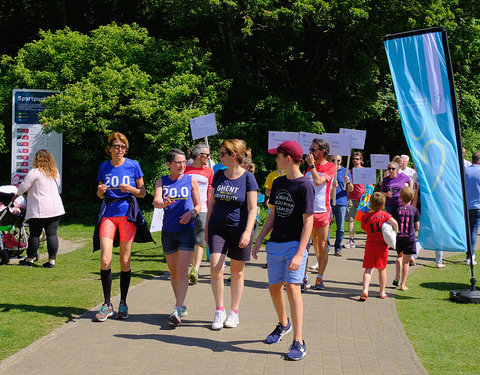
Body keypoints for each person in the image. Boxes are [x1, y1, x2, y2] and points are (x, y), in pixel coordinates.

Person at [252, 140, 314, 361]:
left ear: (288, 158)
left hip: (294, 245)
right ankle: (284, 324)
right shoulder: (278, 182)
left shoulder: (305, 185)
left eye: (277, 156)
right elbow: (273, 214)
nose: (275, 159)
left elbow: (309, 222)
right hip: (275, 244)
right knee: (274, 288)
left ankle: (298, 340)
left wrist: (300, 253)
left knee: (293, 289)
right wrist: (260, 238)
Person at [94, 132, 151, 322]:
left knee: (125, 261)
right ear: (109, 148)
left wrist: (132, 189)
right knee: (105, 259)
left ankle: (123, 303)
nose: (120, 150)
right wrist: (100, 192)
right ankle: (107, 304)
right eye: (117, 146)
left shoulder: (133, 165)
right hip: (109, 215)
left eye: (123, 147)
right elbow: (101, 194)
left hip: (127, 214)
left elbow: (143, 193)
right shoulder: (103, 167)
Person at [206, 139, 258, 330]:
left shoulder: (248, 178)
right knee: (215, 267)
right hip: (217, 227)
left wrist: (247, 232)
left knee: (236, 271)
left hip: (239, 229)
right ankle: (219, 309)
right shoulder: (218, 175)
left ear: (233, 155)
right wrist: (207, 227)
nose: (219, 157)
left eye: (222, 154)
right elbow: (211, 203)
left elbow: (253, 209)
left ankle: (234, 312)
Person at [153, 149, 201, 325]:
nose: (182, 165)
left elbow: (198, 205)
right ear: (169, 164)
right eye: (178, 163)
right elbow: (156, 202)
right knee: (173, 274)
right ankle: (182, 304)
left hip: (186, 231)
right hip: (168, 231)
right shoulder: (162, 181)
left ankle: (177, 308)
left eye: (183, 162)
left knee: (182, 272)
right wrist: (164, 203)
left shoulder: (190, 180)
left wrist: (192, 213)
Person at [17, 149, 65, 268]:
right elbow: (57, 185)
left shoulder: (34, 172)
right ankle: (51, 261)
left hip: (39, 209)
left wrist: (17, 194)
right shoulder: (54, 172)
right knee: (52, 235)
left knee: (34, 234)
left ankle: (30, 259)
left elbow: (23, 187)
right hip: (55, 209)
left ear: (36, 159)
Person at [304, 138, 336, 290]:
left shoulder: (330, 166)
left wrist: (311, 166)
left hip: (323, 211)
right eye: (310, 149)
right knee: (304, 246)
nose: (310, 153)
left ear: (323, 151)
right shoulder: (307, 167)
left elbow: (318, 181)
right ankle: (303, 278)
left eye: (313, 150)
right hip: (307, 212)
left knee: (322, 245)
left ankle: (320, 277)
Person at [184, 143, 214, 285]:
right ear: (198, 155)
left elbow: (211, 191)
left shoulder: (209, 171)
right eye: (206, 155)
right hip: (186, 209)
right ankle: (191, 266)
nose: (208, 157)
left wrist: (211, 208)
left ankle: (195, 270)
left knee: (199, 240)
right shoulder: (185, 170)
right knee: (189, 241)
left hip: (203, 209)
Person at [360, 192, 398, 300]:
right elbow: (394, 222)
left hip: (370, 245)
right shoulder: (385, 215)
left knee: (368, 269)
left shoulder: (366, 217)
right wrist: (396, 232)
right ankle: (382, 292)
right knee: (381, 269)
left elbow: (364, 228)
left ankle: (365, 290)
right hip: (382, 247)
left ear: (370, 204)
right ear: (383, 205)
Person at [393, 187, 420, 290]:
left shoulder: (398, 210)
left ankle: (397, 276)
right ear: (412, 197)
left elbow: (394, 223)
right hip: (409, 238)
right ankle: (403, 284)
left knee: (399, 257)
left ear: (400, 197)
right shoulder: (414, 210)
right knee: (406, 262)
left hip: (400, 237)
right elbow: (417, 227)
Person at [327, 155, 349, 257]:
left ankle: (338, 247)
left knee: (340, 228)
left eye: (338, 160)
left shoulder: (345, 171)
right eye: (334, 160)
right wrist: (332, 187)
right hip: (329, 202)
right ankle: (327, 248)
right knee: (327, 226)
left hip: (341, 202)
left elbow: (351, 189)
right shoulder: (327, 169)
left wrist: (348, 182)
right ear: (330, 160)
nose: (336, 162)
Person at [343, 152, 365, 249]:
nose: (355, 160)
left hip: (363, 198)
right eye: (354, 159)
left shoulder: (365, 171)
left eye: (357, 159)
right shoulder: (350, 171)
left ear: (361, 160)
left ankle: (370, 239)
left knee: (365, 220)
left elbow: (370, 184)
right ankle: (352, 240)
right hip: (351, 197)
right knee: (351, 220)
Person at [464, 151, 480, 266]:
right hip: (477, 206)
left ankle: (469, 254)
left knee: (468, 231)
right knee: (473, 231)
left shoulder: (464, 171)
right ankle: (470, 255)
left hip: (465, 206)